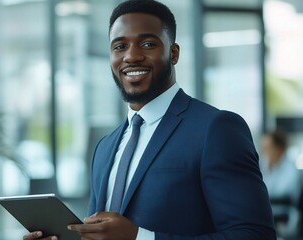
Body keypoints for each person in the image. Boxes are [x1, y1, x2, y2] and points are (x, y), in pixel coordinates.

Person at [24, 0, 276, 239]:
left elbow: (255, 235)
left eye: (147, 44)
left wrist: (139, 238)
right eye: (119, 46)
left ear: (173, 53)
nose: (131, 56)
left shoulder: (216, 129)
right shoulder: (105, 147)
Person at [260, 129, 302, 239]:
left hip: (284, 224)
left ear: (280, 149)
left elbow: (281, 194)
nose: (265, 153)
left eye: (268, 149)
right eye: (264, 149)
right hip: (268, 220)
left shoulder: (291, 170)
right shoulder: (265, 168)